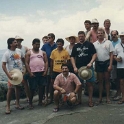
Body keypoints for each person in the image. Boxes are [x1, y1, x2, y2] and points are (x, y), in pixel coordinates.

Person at [71, 31, 97, 107]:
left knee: (90, 84)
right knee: (79, 85)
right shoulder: (76, 46)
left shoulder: (90, 44)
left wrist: (91, 63)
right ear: (78, 37)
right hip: (79, 68)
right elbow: (72, 57)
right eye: (79, 36)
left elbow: (95, 54)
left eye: (82, 36)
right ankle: (79, 100)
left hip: (88, 67)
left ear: (85, 36)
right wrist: (74, 67)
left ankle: (90, 100)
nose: (81, 38)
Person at [2, 38, 25, 114]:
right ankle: (8, 106)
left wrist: (24, 69)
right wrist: (8, 75)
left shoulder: (19, 51)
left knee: (17, 88)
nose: (17, 43)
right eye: (15, 42)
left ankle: (17, 104)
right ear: (10, 44)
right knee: (10, 90)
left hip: (19, 74)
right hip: (12, 74)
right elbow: (3, 65)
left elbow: (23, 59)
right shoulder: (7, 53)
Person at [25, 38, 48, 108]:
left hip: (41, 72)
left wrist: (45, 71)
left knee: (42, 87)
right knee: (32, 88)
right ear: (33, 44)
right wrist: (30, 73)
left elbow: (46, 62)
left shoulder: (43, 52)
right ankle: (30, 102)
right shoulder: (29, 53)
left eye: (38, 44)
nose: (37, 46)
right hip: (33, 73)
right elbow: (26, 63)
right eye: (36, 44)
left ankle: (40, 101)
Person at [93, 28, 114, 104]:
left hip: (107, 62)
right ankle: (100, 98)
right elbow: (94, 55)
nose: (100, 34)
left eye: (101, 33)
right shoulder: (94, 44)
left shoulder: (108, 42)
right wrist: (94, 65)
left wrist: (110, 65)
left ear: (103, 33)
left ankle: (108, 98)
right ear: (97, 34)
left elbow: (111, 54)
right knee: (100, 81)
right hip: (98, 63)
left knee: (107, 81)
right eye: (98, 33)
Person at [50, 38, 70, 103]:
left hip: (62, 71)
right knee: (54, 85)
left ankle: (64, 98)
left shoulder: (66, 52)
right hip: (55, 70)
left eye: (60, 44)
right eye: (58, 44)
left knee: (63, 85)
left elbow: (68, 61)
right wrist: (51, 71)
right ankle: (54, 98)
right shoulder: (53, 51)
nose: (59, 45)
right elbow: (51, 62)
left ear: (63, 44)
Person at [41, 33, 57, 102]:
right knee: (47, 81)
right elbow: (41, 54)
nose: (48, 39)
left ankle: (53, 96)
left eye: (49, 37)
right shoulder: (45, 46)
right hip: (47, 65)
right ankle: (47, 96)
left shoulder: (57, 45)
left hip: (56, 66)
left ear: (53, 38)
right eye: (47, 37)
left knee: (54, 81)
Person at [15, 35, 30, 103]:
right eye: (17, 41)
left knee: (25, 83)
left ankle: (28, 97)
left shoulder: (25, 48)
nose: (18, 42)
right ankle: (17, 99)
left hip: (24, 67)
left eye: (19, 40)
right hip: (16, 68)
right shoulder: (14, 49)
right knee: (16, 84)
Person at [114, 32, 124, 104]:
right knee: (121, 82)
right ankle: (123, 97)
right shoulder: (117, 45)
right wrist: (116, 59)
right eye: (122, 37)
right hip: (120, 66)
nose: (123, 38)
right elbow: (114, 55)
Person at [110, 30, 121, 100]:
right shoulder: (111, 43)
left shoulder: (120, 41)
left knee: (121, 79)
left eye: (115, 34)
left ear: (117, 35)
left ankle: (120, 93)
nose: (113, 36)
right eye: (112, 35)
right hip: (114, 63)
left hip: (121, 63)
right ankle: (118, 92)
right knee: (116, 79)